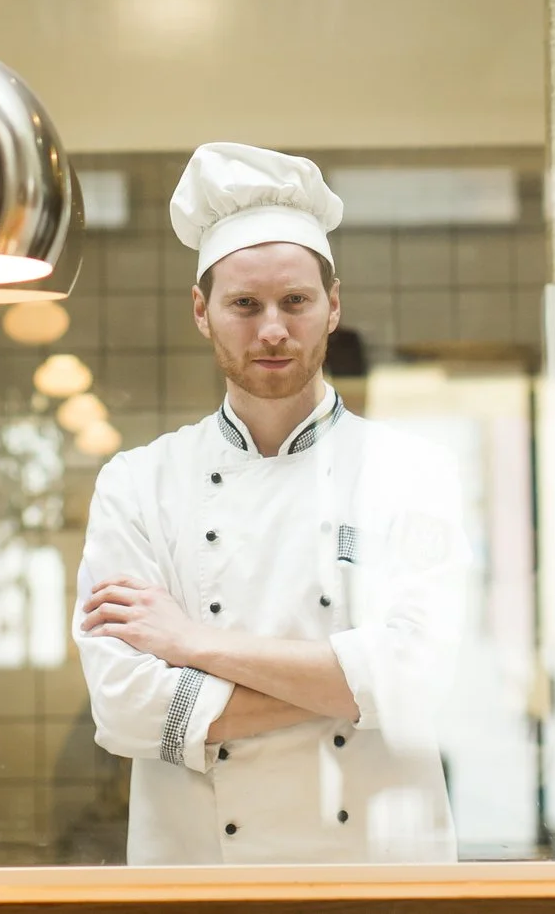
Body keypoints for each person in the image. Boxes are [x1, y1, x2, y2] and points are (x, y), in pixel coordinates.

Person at [73, 143, 464, 864]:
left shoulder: (416, 472)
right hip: (201, 882)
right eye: (245, 305)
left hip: (377, 884)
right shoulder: (138, 484)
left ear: (333, 305)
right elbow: (125, 708)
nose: (273, 329)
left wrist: (195, 645)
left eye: (295, 301)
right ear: (202, 310)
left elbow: (426, 677)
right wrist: (354, 684)